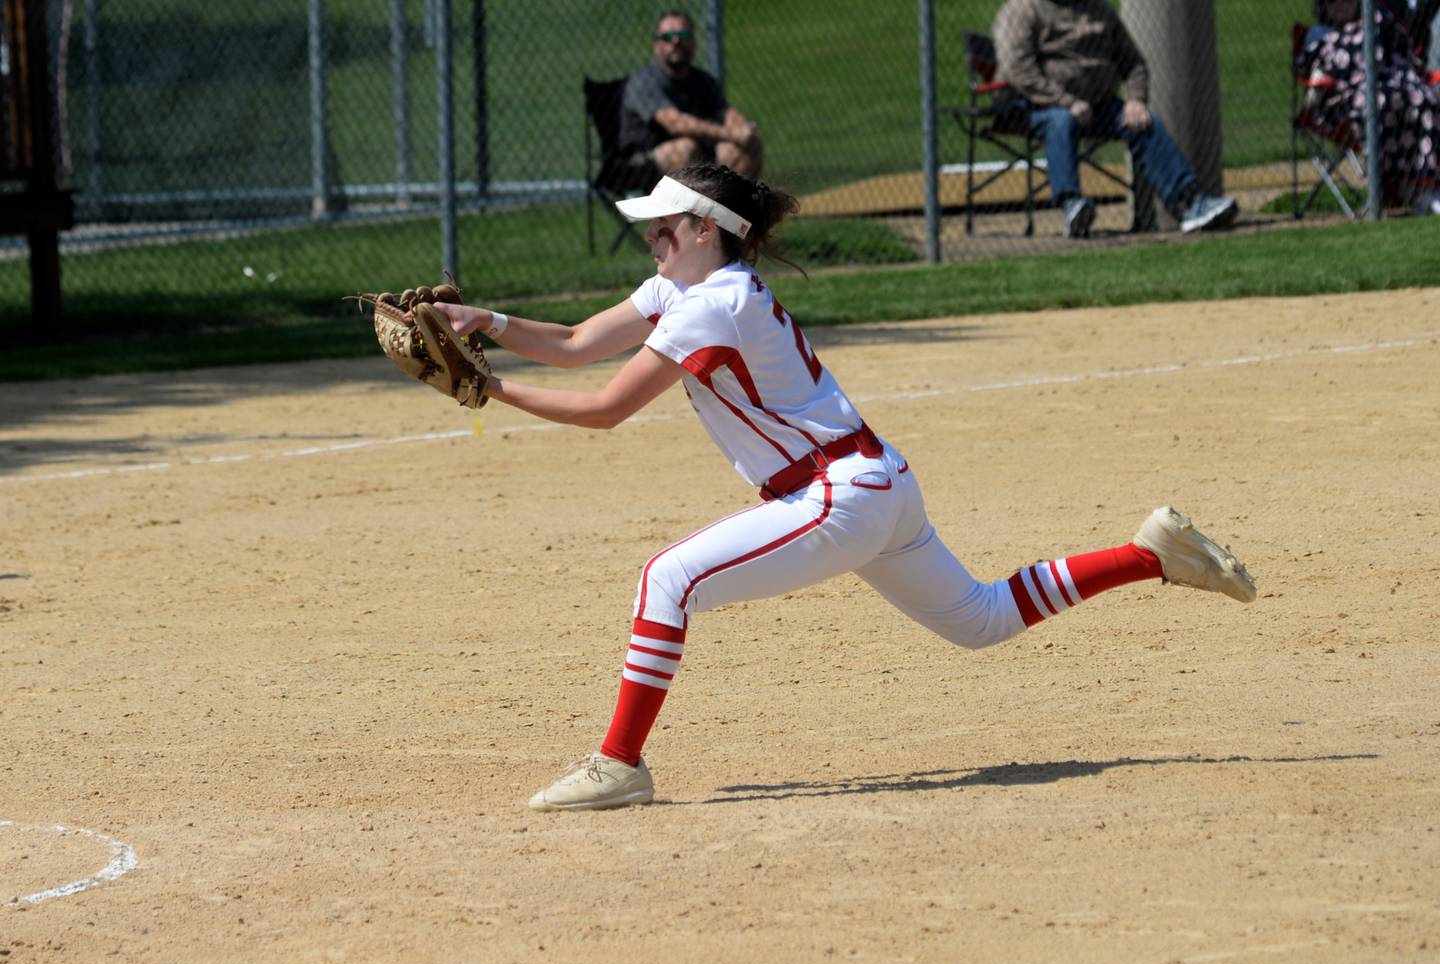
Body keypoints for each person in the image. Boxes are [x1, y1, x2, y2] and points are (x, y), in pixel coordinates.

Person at [430, 161, 1258, 812]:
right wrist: (489, 326)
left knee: (666, 579)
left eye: (663, 226)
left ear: (706, 231)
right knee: (981, 620)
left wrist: (489, 391)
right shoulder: (685, 290)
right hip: (878, 482)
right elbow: (576, 344)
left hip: (838, 496)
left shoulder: (708, 304)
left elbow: (606, 408)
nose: (651, 236)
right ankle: (1150, 555)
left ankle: (618, 764)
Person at [991, 0, 1239, 238]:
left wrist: (1135, 100)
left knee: (1143, 122)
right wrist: (1065, 101)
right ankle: (1072, 206)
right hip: (1030, 107)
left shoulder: (1098, 9)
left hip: (1095, 107)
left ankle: (1190, 204)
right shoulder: (1023, 9)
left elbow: (1133, 63)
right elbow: (1018, 70)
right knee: (1062, 120)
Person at [1302, 0, 1440, 215]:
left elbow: (1400, 51)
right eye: (1333, 3)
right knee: (1377, 104)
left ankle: (1423, 190)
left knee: (1423, 100)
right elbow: (1318, 73)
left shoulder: (1377, 22)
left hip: (1391, 86)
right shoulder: (1321, 35)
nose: (1341, 6)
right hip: (1345, 101)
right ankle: (1382, 191)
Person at [618, 10, 763, 177]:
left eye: (683, 35)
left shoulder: (703, 80)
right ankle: (685, 203)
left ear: (694, 42)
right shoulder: (644, 81)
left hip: (700, 152)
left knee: (741, 145)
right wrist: (732, 134)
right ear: (656, 44)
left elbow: (726, 113)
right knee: (686, 149)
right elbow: (676, 123)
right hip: (643, 159)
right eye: (667, 37)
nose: (676, 41)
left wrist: (743, 128)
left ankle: (731, 201)